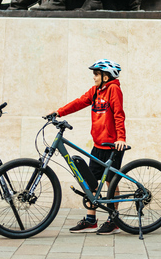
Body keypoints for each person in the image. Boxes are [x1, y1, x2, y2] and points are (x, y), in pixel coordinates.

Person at [49, 59, 126, 234]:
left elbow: (119, 115)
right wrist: (58, 112)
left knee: (110, 183)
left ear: (106, 76)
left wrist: (120, 138)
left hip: (113, 147)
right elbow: (79, 102)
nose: (94, 77)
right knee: (90, 182)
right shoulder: (95, 91)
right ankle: (91, 220)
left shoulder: (114, 89)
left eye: (96, 74)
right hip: (98, 145)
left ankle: (113, 220)